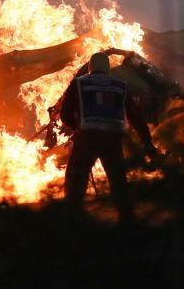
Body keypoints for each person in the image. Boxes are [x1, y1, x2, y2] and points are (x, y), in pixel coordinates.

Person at [59, 52, 157, 224]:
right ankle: (127, 223)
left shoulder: (79, 83)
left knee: (75, 179)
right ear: (107, 68)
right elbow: (136, 117)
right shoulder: (120, 86)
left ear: (90, 68)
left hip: (88, 137)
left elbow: (65, 114)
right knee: (118, 181)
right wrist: (147, 142)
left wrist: (77, 128)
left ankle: (74, 220)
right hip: (113, 139)